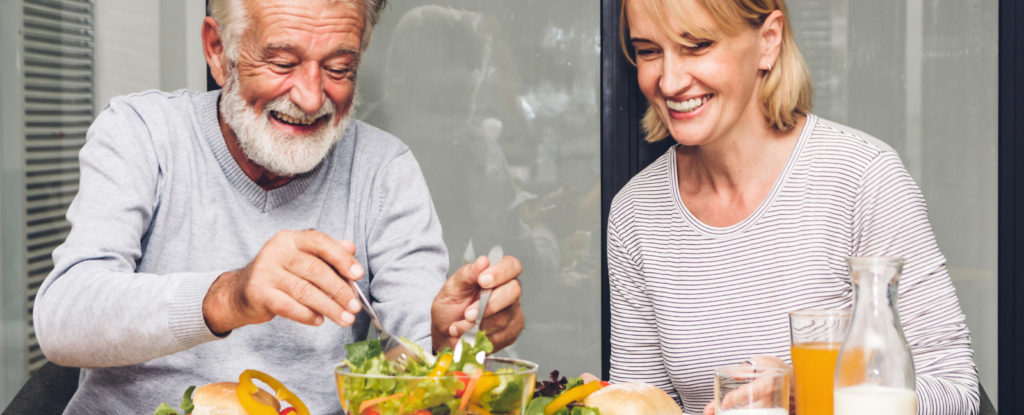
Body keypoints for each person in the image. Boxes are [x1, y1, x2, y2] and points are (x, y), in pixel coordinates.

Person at [31, 0, 524, 413]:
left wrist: (444, 343)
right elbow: (64, 319)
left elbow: (406, 359)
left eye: (338, 69)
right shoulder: (141, 132)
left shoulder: (383, 170)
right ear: (218, 51)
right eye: (282, 63)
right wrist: (229, 296)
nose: (311, 98)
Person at [607, 0, 979, 414]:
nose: (671, 81)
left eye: (696, 45)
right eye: (648, 51)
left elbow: (955, 394)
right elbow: (641, 403)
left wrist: (809, 394)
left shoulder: (862, 179)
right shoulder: (635, 212)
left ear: (769, 41)